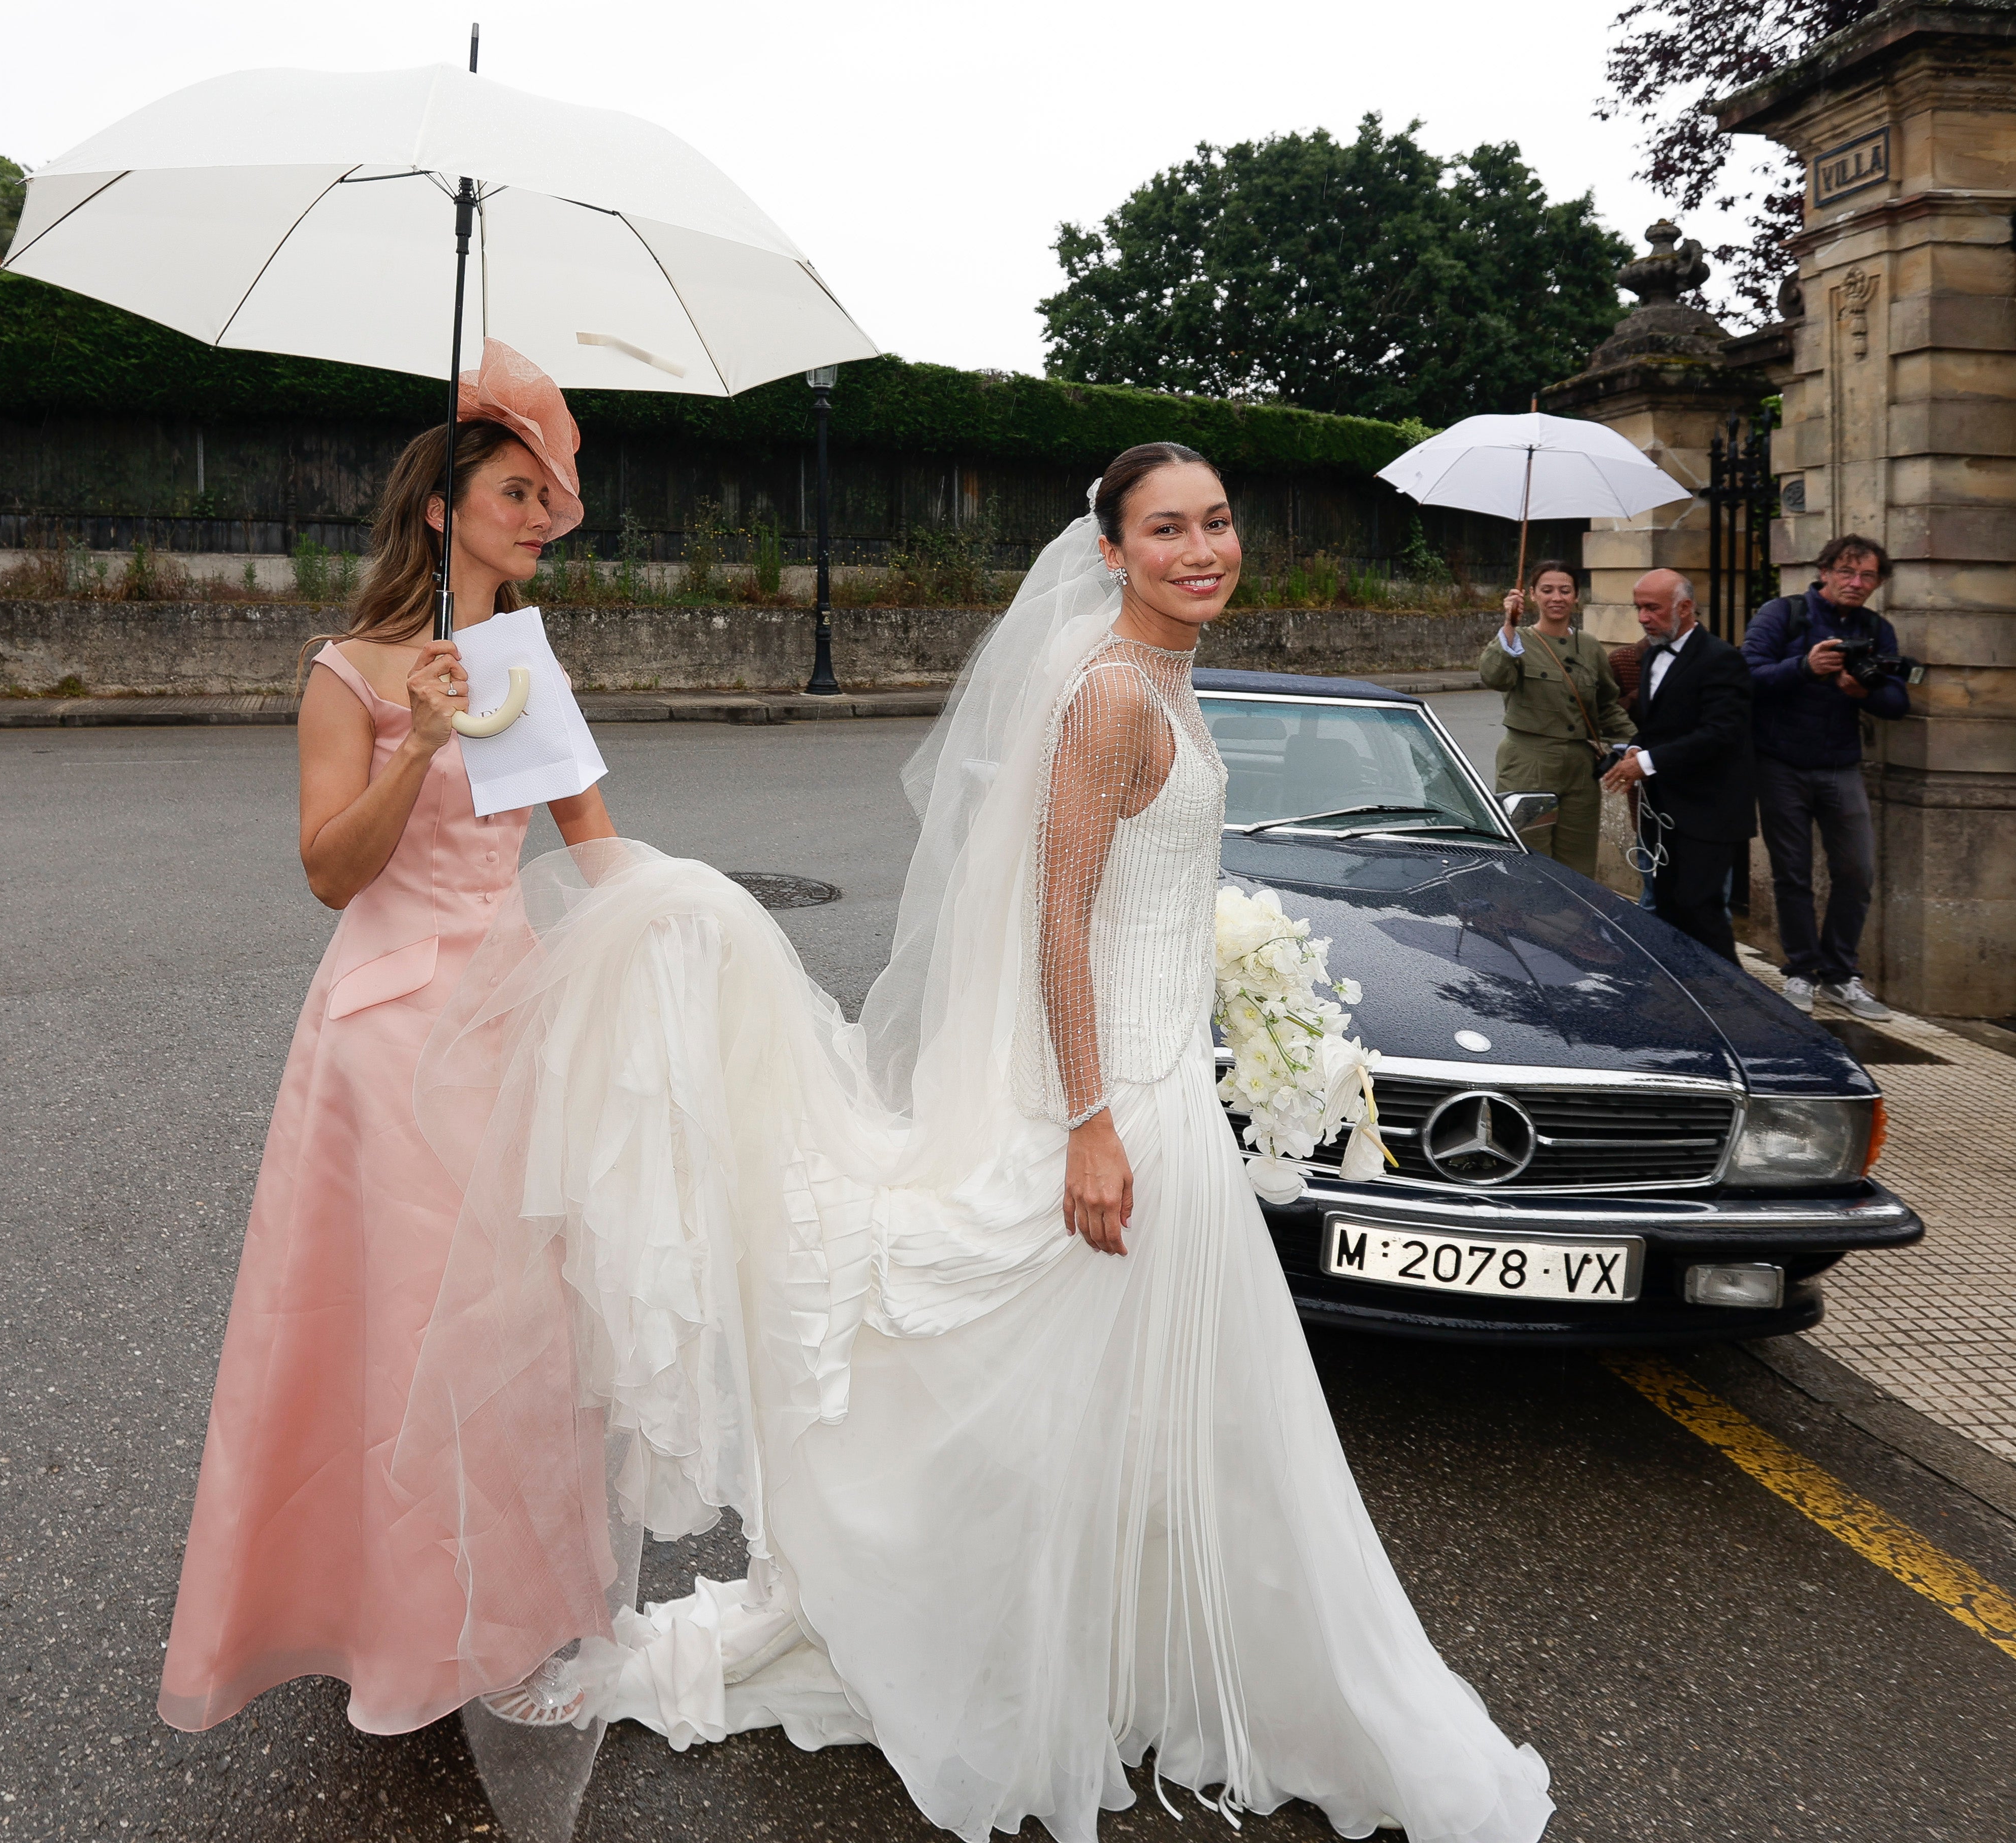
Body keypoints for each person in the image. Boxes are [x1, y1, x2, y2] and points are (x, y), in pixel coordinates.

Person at [392, 445, 1556, 1843]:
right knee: (1082, 1390)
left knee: (1144, 1403)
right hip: (1121, 1104)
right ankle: (1007, 1653)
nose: (1204, 548)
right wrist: (1090, 1127)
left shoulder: (1165, 679)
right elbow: (1058, 916)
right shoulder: (1115, 693)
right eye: (1168, 529)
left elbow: (1147, 887)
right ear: (1113, 551)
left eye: (1218, 522)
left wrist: (1229, 977)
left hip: (1166, 1086)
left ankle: (1107, 1652)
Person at [157, 341, 625, 1742]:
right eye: (512, 490)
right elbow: (327, 873)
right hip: (386, 1040)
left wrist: (676, 960)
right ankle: (387, 1628)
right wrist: (414, 740)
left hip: (511, 1018)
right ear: (441, 509)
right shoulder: (351, 672)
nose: (540, 515)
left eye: (550, 495)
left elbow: (594, 843)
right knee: (398, 1333)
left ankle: (512, 1617)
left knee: (522, 1329)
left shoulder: (525, 665)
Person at [1742, 535, 1907, 1020]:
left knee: (1857, 871)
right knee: (1791, 873)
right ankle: (1800, 971)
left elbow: (1899, 702)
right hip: (1780, 763)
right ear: (1825, 571)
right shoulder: (1781, 614)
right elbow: (1746, 676)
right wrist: (1805, 666)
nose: (1856, 584)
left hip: (1841, 765)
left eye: (1868, 576)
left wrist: (1863, 691)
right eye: (1847, 573)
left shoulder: (1877, 629)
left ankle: (1840, 976)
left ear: (1878, 582)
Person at [1600, 568, 1755, 960]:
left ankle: (1730, 1000)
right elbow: (1658, 729)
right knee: (1667, 907)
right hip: (1663, 810)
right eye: (1638, 608)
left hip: (1709, 812)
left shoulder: (1723, 659)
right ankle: (1676, 999)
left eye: (1652, 608)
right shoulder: (1651, 655)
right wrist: (1636, 750)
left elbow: (1722, 733)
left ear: (1684, 608)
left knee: (1701, 909)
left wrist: (1649, 761)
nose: (1642, 617)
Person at [1477, 559, 1635, 876]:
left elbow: (1606, 705)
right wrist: (1508, 624)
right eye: (1547, 590)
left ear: (1577, 597)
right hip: (1528, 763)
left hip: (1580, 769)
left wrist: (1634, 744)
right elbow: (1494, 677)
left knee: (1577, 864)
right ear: (1532, 595)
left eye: (1565, 590)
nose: (1557, 598)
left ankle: (1574, 926)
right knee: (1530, 861)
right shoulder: (1517, 641)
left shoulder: (1589, 646)